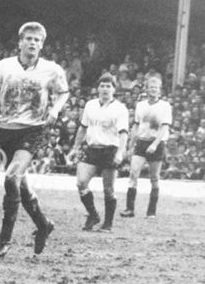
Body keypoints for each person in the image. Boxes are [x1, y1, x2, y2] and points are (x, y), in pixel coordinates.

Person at [0, 22, 69, 258]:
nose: (32, 43)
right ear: (20, 42)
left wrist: (55, 110)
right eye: (29, 38)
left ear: (42, 45)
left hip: (33, 130)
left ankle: (4, 240)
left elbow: (64, 92)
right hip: (6, 130)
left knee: (11, 178)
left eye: (37, 40)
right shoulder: (3, 66)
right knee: (21, 184)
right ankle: (43, 224)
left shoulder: (51, 69)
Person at [70, 74, 129, 232]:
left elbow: (123, 133)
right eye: (102, 86)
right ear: (97, 88)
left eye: (108, 86)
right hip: (92, 149)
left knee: (108, 189)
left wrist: (120, 153)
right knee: (81, 182)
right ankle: (93, 214)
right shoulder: (90, 105)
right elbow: (83, 128)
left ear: (114, 89)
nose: (105, 89)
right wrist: (75, 148)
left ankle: (108, 224)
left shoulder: (120, 109)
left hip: (110, 150)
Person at [121, 71, 171, 218]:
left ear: (159, 90)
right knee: (133, 173)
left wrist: (155, 144)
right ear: (147, 89)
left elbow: (164, 128)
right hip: (141, 143)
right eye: (150, 87)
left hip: (156, 143)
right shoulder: (141, 105)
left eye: (156, 87)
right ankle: (130, 209)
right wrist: (131, 145)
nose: (153, 89)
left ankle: (151, 211)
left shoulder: (165, 106)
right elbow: (136, 125)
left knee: (154, 177)